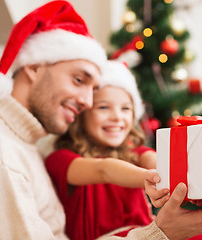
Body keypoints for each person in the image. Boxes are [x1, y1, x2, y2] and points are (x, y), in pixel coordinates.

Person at [0, 1, 202, 239]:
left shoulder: (23, 145)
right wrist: (161, 234)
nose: (87, 102)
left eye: (94, 89)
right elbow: (105, 171)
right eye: (79, 79)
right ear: (34, 67)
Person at [45, 60, 159, 240]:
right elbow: (103, 169)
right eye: (104, 107)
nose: (117, 117)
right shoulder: (61, 159)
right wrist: (151, 179)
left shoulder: (134, 153)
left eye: (125, 108)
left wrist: (173, 172)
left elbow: (155, 160)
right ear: (82, 115)